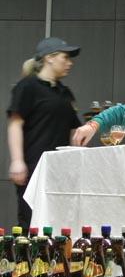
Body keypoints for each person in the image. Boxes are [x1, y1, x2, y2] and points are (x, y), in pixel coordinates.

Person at [6, 36, 82, 233]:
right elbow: (15, 124)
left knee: (59, 223)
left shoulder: (64, 92)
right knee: (30, 222)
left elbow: (74, 130)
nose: (70, 63)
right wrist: (17, 161)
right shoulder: (27, 86)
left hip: (60, 169)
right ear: (49, 58)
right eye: (65, 57)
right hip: (34, 166)